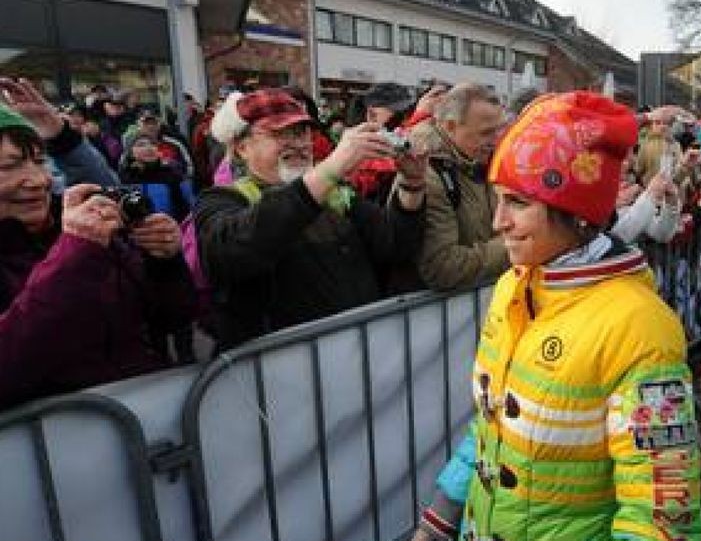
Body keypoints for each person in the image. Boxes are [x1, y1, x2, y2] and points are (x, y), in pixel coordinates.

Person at [405, 91, 701, 541]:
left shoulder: (641, 328)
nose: (498, 221)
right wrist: (444, 510)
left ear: (577, 212)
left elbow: (663, 521)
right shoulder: (513, 285)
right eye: (498, 199)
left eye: (518, 203)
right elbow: (493, 424)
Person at [195, 88, 426, 351]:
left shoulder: (337, 197)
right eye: (279, 133)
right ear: (241, 147)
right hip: (280, 376)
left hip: (358, 358)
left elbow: (396, 244)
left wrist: (413, 183)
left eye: (302, 132)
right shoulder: (220, 200)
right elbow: (236, 250)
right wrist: (332, 167)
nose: (298, 144)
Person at [0, 100, 194, 409]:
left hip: (151, 427)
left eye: (39, 162)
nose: (39, 180)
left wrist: (164, 262)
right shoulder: (80, 242)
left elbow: (173, 317)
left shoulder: (84, 229)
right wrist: (72, 258)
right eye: (9, 166)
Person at [411, 83, 509, 290]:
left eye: (498, 130)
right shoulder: (427, 174)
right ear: (450, 126)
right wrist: (515, 246)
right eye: (485, 133)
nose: (496, 141)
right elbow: (441, 267)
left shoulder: (486, 160)